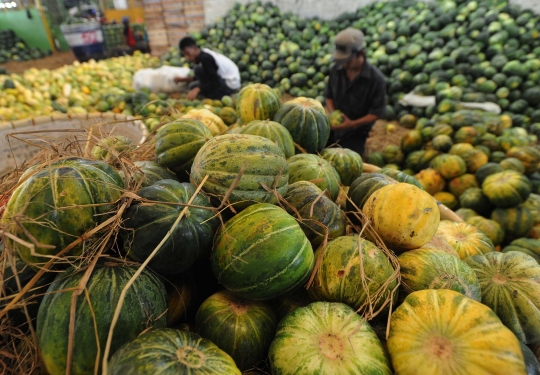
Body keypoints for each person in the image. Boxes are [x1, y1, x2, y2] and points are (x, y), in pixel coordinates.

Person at [325, 28, 387, 156]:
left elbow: (377, 112)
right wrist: (333, 114)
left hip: (356, 132)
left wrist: (351, 124)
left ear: (361, 54)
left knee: (347, 161)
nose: (343, 65)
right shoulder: (336, 70)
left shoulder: (376, 79)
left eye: (347, 61)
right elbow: (328, 96)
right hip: (333, 127)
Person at [174, 37, 241, 100]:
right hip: (223, 79)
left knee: (198, 86)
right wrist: (184, 79)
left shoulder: (205, 58)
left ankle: (225, 95)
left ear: (194, 48)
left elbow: (215, 81)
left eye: (188, 53)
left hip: (230, 84)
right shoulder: (203, 54)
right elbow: (208, 74)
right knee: (195, 78)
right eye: (185, 55)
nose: (187, 57)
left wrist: (198, 89)